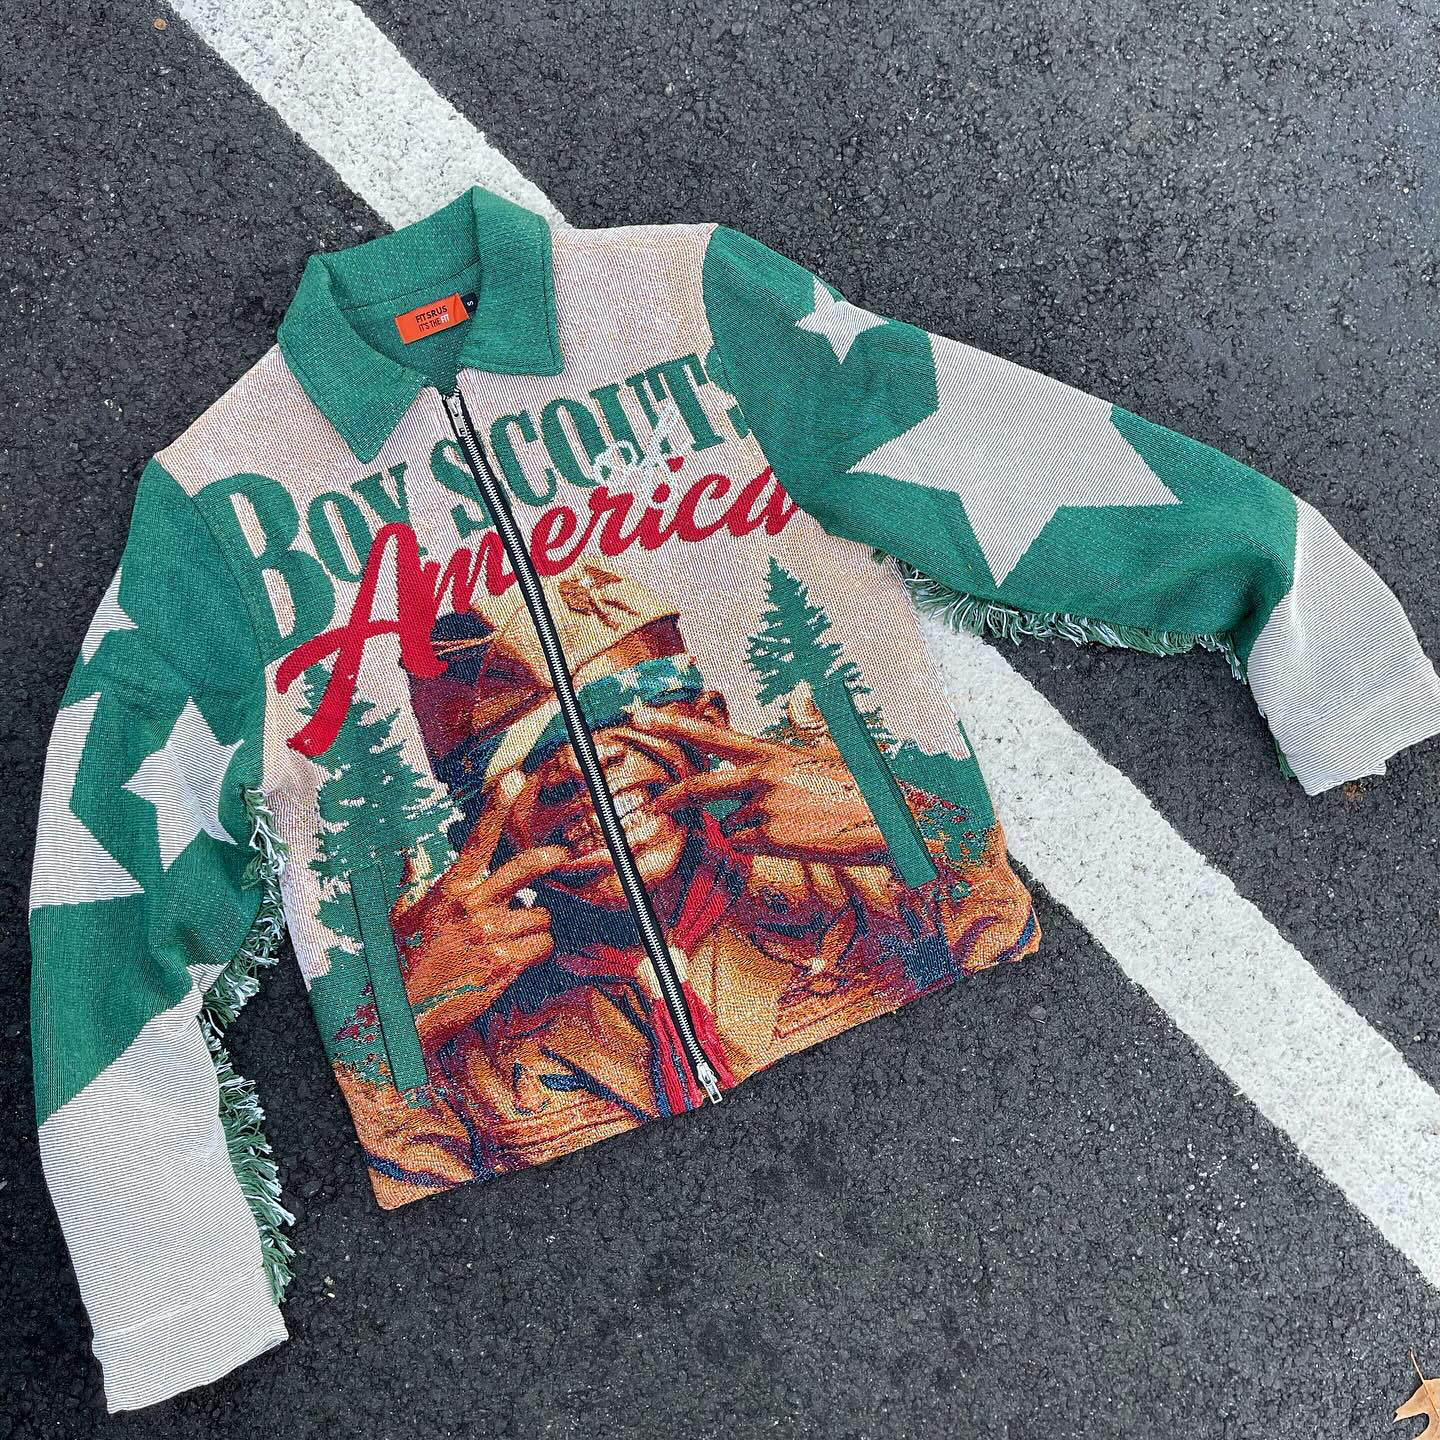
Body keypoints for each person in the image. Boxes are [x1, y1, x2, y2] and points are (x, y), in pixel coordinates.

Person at [353, 565, 1036, 1187]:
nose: (580, 768)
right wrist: (405, 1021)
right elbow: (408, 1185)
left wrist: (896, 823)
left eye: (616, 712)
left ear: (705, 720)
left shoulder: (859, 887)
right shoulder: (476, 1051)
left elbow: (1005, 927)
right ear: (482, 823)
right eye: (514, 759)